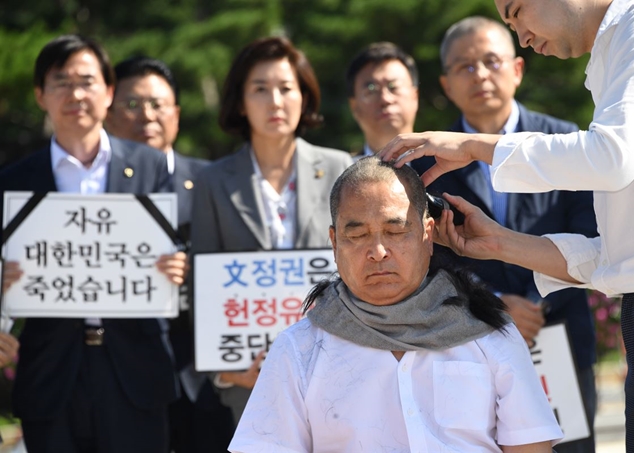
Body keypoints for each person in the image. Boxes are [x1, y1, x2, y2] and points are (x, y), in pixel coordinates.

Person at [379, 0, 634, 450]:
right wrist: (501, 243)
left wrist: (476, 146)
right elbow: (615, 252)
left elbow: (611, 157)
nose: (521, 33)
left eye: (517, 11)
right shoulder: (613, 53)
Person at [228, 156, 563, 452]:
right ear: (334, 242)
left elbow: (530, 447)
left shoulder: (491, 334)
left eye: (395, 230)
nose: (377, 251)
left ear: (428, 234)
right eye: (357, 235)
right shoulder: (298, 350)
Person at [410, 16, 598, 452]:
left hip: (561, 340)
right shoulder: (425, 164)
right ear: (446, 83)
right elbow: (424, 261)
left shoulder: (565, 141)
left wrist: (532, 306)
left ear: (516, 69)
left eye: (491, 61)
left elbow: (591, 239)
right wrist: (490, 304)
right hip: (465, 350)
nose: (480, 75)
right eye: (465, 66)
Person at [0, 35, 187, 453]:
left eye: (86, 80)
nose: (75, 93)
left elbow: (183, 244)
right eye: (60, 82)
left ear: (108, 92)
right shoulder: (13, 182)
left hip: (136, 370)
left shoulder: (151, 166)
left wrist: (180, 266)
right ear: (40, 95)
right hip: (50, 373)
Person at [190, 36, 353, 434]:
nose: (275, 101)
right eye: (260, 89)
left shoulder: (339, 168)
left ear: (304, 97)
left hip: (338, 372)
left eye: (285, 88)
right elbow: (203, 286)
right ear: (240, 102)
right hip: (252, 385)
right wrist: (226, 371)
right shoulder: (211, 182)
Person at [104, 56, 231, 453]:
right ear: (107, 112)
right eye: (132, 104)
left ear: (176, 113)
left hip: (205, 378)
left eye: (158, 104)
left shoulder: (214, 181)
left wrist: (196, 273)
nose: (147, 115)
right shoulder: (89, 194)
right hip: (112, 375)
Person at [346, 42, 419, 159]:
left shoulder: (449, 169)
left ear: (415, 97)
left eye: (393, 87)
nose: (385, 99)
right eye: (371, 91)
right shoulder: (339, 172)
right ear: (354, 106)